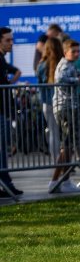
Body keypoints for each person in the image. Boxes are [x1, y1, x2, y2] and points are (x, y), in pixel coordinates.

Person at [49, 39, 80, 194]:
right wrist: (78, 79)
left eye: (78, 51)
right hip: (66, 109)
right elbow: (60, 80)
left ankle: (64, 181)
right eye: (73, 51)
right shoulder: (64, 65)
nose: (76, 54)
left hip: (72, 108)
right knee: (66, 147)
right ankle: (55, 181)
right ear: (65, 51)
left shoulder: (72, 65)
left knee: (69, 146)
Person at [0, 27, 23, 196]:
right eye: (8, 40)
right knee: (2, 150)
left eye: (12, 39)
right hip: (0, 111)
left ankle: (6, 184)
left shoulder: (2, 60)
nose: (11, 43)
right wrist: (9, 84)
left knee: (3, 149)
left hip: (3, 110)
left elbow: (14, 72)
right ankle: (6, 184)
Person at [36, 36, 64, 172]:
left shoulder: (41, 65)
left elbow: (40, 86)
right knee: (66, 134)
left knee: (53, 133)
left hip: (47, 103)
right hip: (61, 102)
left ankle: (56, 161)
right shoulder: (62, 63)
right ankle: (66, 160)